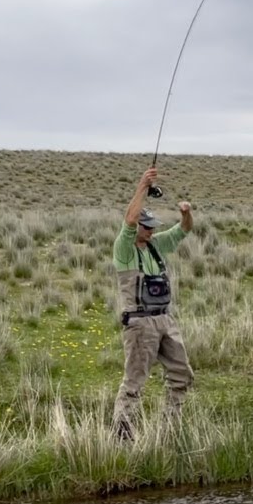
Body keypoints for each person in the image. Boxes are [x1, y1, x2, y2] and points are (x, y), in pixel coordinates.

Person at [111, 166, 195, 441]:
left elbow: (184, 229)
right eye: (146, 226)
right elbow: (130, 219)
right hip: (139, 322)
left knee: (181, 375)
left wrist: (186, 212)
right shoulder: (124, 249)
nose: (150, 230)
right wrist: (142, 186)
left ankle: (169, 431)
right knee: (134, 383)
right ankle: (122, 439)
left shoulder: (156, 245)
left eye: (152, 227)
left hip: (164, 320)